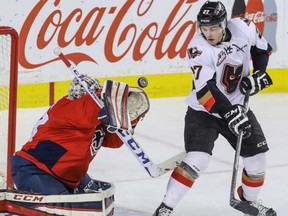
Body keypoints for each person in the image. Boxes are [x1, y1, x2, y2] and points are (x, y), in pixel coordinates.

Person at [153, 1, 276, 216]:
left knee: (257, 159)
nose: (208, 33)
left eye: (213, 28)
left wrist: (259, 74)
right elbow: (205, 93)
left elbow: (262, 49)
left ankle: (250, 201)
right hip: (203, 112)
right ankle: (165, 207)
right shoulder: (196, 48)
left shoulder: (244, 27)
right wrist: (229, 113)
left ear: (224, 24)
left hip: (238, 107)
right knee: (197, 159)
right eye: (204, 28)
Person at [10, 75, 149, 214]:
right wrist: (118, 97)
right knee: (60, 211)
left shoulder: (95, 118)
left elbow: (114, 141)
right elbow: (88, 108)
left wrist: (130, 120)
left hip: (69, 174)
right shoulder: (66, 108)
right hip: (34, 170)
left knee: (97, 204)